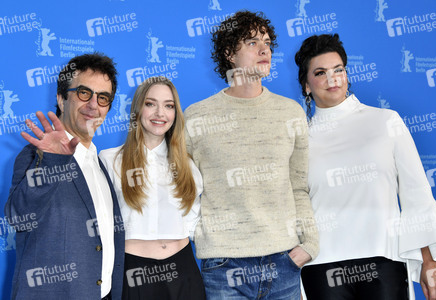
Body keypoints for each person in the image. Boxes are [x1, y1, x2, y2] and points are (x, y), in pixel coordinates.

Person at [295, 33, 436, 300]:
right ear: (306, 85)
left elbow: (417, 195)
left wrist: (429, 261)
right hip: (322, 266)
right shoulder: (299, 140)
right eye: (320, 72)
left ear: (346, 74)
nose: (332, 79)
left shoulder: (385, 121)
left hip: (384, 259)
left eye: (338, 70)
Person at [184, 10, 318, 299]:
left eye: (267, 42)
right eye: (252, 42)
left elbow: (299, 186)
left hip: (284, 262)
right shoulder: (196, 117)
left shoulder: (291, 113)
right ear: (229, 53)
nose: (264, 49)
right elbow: (181, 189)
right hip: (223, 267)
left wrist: (309, 245)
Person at [5, 53, 125, 299]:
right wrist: (52, 161)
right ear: (61, 99)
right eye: (84, 93)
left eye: (103, 98)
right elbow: (18, 218)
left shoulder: (99, 164)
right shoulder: (35, 156)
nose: (93, 105)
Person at [99, 76, 205, 299]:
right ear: (137, 110)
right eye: (150, 104)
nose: (160, 113)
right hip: (133, 274)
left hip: (183, 272)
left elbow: (194, 221)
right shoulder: (109, 161)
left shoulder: (189, 166)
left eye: (169, 106)